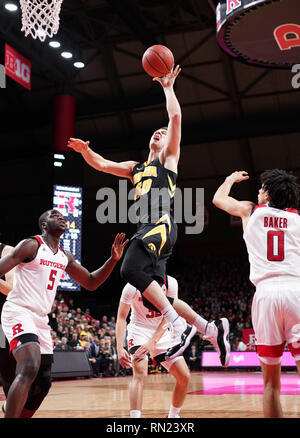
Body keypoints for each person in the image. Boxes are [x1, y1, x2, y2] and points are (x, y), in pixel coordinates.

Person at [67, 66, 230, 361]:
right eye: (157, 131)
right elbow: (103, 164)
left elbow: (176, 117)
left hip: (160, 223)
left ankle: (178, 324)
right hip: (152, 228)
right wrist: (85, 152)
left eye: (164, 133)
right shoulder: (135, 168)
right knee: (158, 297)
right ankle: (209, 328)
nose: (160, 132)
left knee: (129, 270)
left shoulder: (169, 161)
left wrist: (168, 88)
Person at [0, 208, 128, 418]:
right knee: (30, 365)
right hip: (19, 311)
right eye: (53, 214)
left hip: (41, 320)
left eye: (61, 215)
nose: (60, 216)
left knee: (43, 384)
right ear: (44, 225)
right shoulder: (31, 245)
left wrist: (113, 260)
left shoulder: (64, 256)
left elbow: (91, 282)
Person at [213, 168, 300, 418]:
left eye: (262, 188)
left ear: (269, 194)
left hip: (266, 294)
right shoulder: (297, 220)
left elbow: (219, 200)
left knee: (271, 385)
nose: (259, 191)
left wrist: (229, 179)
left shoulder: (251, 211)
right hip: (296, 290)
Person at [116, 276, 191, 418]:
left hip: (161, 331)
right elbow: (121, 317)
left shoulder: (170, 283)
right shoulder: (132, 285)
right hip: (139, 330)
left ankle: (173, 416)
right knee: (140, 373)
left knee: (184, 376)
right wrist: (120, 347)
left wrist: (154, 340)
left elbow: (170, 314)